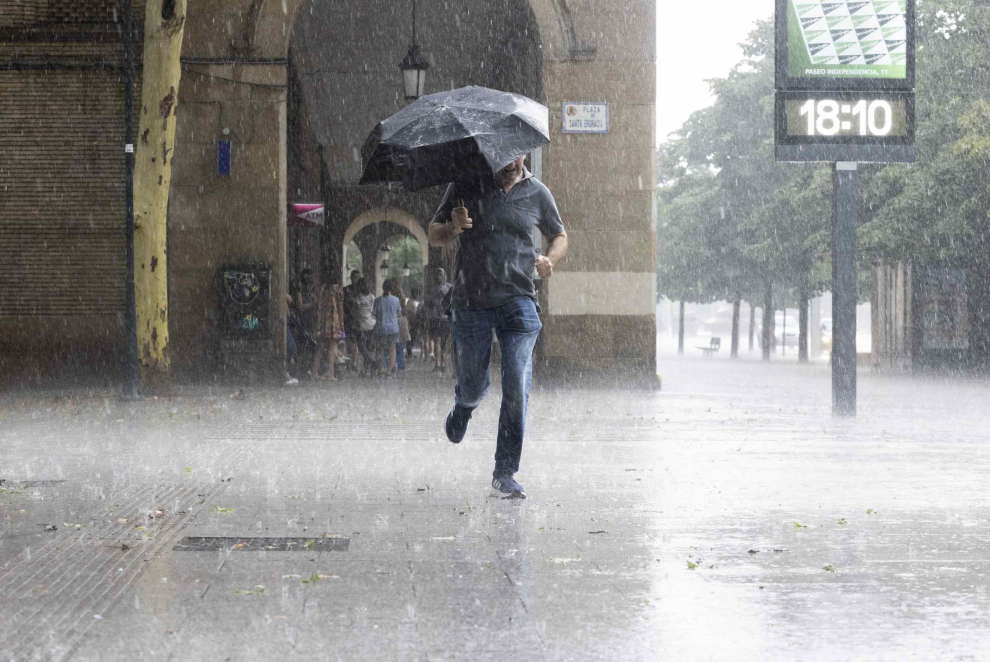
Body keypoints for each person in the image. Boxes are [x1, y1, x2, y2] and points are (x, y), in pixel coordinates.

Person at [428, 155, 568, 499]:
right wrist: (452, 228)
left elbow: (559, 235)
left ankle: (505, 471)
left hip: (518, 299)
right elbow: (434, 233)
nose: (509, 161)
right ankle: (465, 405)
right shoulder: (465, 183)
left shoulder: (538, 193)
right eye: (502, 156)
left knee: (516, 382)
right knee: (474, 386)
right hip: (470, 299)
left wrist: (551, 259)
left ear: (524, 153)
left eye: (515, 154)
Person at [419, 268, 453, 372]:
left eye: (441, 275)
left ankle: (443, 363)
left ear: (444, 276)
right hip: (436, 319)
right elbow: (428, 304)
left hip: (446, 319)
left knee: (444, 343)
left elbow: (453, 302)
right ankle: (438, 364)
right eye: (437, 275)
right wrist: (429, 312)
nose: (439, 277)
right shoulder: (433, 289)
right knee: (437, 340)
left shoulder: (450, 287)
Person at [312, 281, 345, 381]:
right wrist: (342, 322)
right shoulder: (337, 289)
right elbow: (340, 307)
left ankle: (315, 372)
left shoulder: (320, 288)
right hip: (333, 321)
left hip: (322, 321)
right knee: (332, 347)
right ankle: (330, 374)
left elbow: (316, 304)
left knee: (320, 347)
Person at [373, 279, 402, 377]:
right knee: (392, 348)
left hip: (381, 328)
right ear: (392, 288)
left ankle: (380, 368)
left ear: (383, 287)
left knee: (379, 348)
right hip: (393, 328)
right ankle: (389, 370)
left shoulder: (377, 300)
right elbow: (399, 313)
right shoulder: (396, 300)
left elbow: (374, 313)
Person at [354, 277, 377, 376]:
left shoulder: (358, 298)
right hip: (371, 325)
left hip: (362, 326)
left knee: (362, 347)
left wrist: (355, 322)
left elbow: (355, 312)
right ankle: (366, 369)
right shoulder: (372, 297)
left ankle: (371, 363)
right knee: (367, 348)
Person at [342, 270, 363, 372]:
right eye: (355, 277)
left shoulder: (363, 290)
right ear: (351, 278)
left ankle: (354, 363)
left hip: (357, 318)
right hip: (348, 318)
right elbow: (343, 303)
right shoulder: (346, 289)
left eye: (359, 277)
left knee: (356, 342)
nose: (357, 279)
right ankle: (348, 361)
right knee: (346, 340)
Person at [405, 286, 421, 358]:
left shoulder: (413, 302)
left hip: (413, 323)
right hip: (412, 323)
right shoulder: (411, 302)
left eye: (417, 294)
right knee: (411, 338)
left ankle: (409, 353)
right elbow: (409, 313)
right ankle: (409, 353)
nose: (417, 295)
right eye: (416, 294)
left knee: (412, 338)